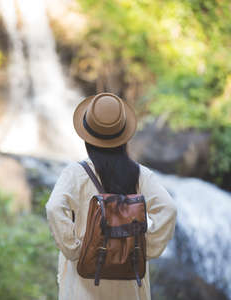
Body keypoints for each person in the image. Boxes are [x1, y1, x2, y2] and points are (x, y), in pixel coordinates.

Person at [46, 93, 177, 300]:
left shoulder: (75, 173)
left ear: (87, 137)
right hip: (128, 280)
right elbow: (168, 208)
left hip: (85, 282)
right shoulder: (140, 174)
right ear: (124, 137)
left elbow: (54, 208)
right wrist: (146, 249)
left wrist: (75, 250)